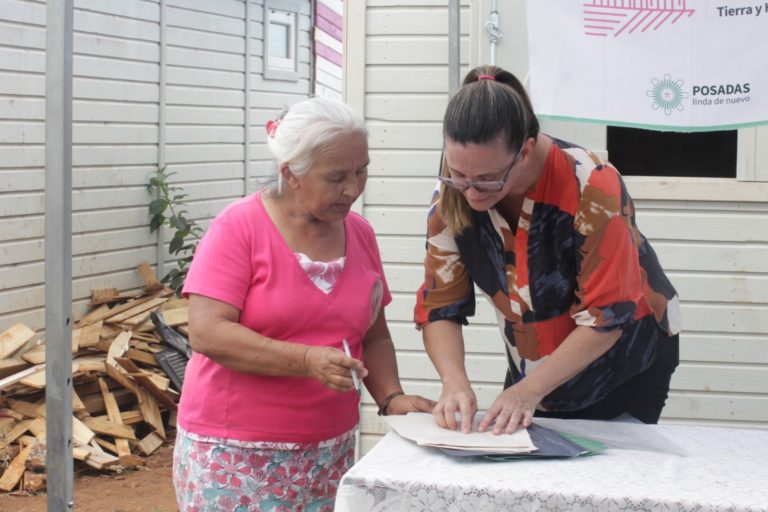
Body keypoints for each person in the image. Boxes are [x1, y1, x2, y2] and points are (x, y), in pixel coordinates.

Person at [172, 97, 435, 511]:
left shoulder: (360, 233)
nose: (353, 187)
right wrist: (306, 360)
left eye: (361, 170)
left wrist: (390, 397)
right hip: (236, 454)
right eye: (336, 177)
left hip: (327, 452)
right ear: (290, 174)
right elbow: (207, 332)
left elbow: (374, 334)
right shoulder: (238, 228)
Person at [414, 65, 681, 436]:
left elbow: (607, 319)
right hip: (536, 363)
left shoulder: (592, 185)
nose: (471, 193)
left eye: (488, 179)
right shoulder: (451, 197)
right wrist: (454, 381)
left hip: (623, 363)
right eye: (458, 175)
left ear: (524, 151)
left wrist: (526, 392)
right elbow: (440, 305)